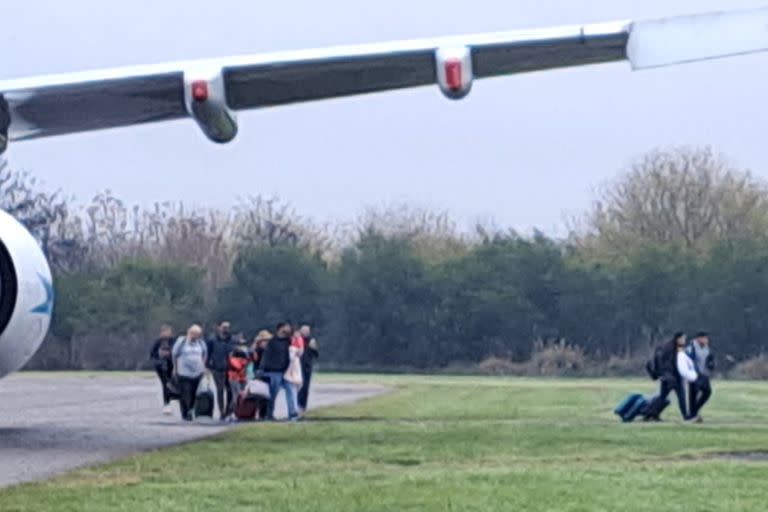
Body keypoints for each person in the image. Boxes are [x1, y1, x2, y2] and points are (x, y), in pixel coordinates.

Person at [650, 333, 695, 421]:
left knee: (664, 397)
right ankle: (685, 416)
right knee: (676, 397)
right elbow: (667, 365)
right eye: (683, 339)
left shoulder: (678, 348)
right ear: (678, 339)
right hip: (671, 378)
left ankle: (652, 414)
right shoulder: (670, 349)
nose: (684, 341)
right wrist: (669, 377)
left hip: (674, 377)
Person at [259, 322, 299, 421]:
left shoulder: (288, 341)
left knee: (290, 390)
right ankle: (269, 414)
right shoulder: (272, 342)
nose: (289, 329)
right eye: (287, 327)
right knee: (273, 394)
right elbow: (266, 356)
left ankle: (292, 413)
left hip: (286, 372)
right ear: (280, 329)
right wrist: (261, 369)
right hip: (273, 371)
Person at [172, 324, 208, 421]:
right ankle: (186, 412)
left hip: (197, 373)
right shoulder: (182, 341)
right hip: (183, 372)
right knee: (185, 393)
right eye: (193, 334)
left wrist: (203, 366)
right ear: (189, 332)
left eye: (197, 334)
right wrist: (175, 368)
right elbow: (174, 354)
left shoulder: (201, 343)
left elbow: (205, 354)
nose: (194, 336)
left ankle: (190, 409)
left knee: (193, 393)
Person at [207, 321, 237, 421]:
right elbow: (208, 353)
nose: (226, 329)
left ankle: (229, 410)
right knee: (220, 390)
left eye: (227, 327)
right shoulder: (212, 340)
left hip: (230, 369)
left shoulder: (232, 340)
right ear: (219, 328)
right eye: (224, 327)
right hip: (217, 368)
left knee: (230, 391)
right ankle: (221, 412)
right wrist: (208, 366)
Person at [688, 332, 715, 421]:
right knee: (693, 393)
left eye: (706, 339)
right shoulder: (691, 347)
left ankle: (695, 410)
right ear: (698, 339)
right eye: (704, 338)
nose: (706, 340)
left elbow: (710, 359)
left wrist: (711, 364)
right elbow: (689, 360)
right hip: (694, 374)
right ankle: (692, 414)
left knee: (707, 392)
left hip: (704, 374)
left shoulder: (707, 348)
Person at [149, 324, 175, 415]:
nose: (167, 333)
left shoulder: (173, 341)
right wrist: (159, 359)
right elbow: (152, 354)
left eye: (168, 331)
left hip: (172, 365)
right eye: (165, 331)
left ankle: (174, 399)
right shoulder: (158, 342)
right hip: (161, 367)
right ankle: (166, 404)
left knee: (172, 383)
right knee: (165, 384)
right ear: (161, 332)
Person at [297, 325, 319, 415]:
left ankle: (303, 406)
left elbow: (316, 355)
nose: (306, 332)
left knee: (306, 387)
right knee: (299, 386)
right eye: (304, 331)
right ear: (301, 331)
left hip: (307, 366)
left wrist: (314, 348)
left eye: (307, 331)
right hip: (298, 365)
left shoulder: (311, 341)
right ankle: (297, 405)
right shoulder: (298, 340)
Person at [226, 344, 250, 422]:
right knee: (236, 396)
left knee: (242, 395)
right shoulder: (233, 359)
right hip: (234, 378)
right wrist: (244, 363)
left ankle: (240, 412)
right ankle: (231, 413)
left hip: (242, 378)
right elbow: (237, 367)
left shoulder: (242, 357)